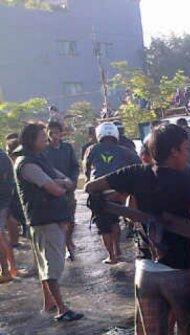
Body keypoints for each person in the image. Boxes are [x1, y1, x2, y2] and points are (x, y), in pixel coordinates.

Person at [85, 123, 190, 334]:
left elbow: (90, 186)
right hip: (177, 273)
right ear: (173, 152)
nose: (187, 154)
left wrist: (105, 199)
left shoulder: (135, 173)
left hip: (145, 272)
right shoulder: (184, 180)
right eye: (185, 149)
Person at [14, 122, 83, 321]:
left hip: (48, 218)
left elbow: (61, 180)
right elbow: (56, 188)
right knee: (53, 266)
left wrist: (61, 183)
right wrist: (62, 184)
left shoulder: (37, 158)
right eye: (43, 137)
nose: (47, 140)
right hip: (45, 220)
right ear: (31, 140)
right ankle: (62, 309)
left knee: (48, 264)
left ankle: (51, 303)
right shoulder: (27, 164)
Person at [83, 122, 140, 264]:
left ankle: (111, 256)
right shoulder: (124, 150)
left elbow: (86, 169)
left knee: (103, 227)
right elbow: (138, 164)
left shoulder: (92, 149)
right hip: (117, 192)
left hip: (98, 192)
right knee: (115, 221)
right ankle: (117, 249)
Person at [44, 120, 79, 261]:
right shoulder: (44, 150)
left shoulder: (67, 148)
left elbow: (75, 166)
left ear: (61, 133)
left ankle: (68, 241)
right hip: (51, 190)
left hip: (68, 189)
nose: (54, 135)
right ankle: (63, 246)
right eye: (51, 133)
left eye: (57, 132)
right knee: (58, 219)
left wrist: (73, 181)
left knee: (70, 218)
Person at [0, 148, 22, 283]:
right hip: (4, 200)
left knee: (1, 236)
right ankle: (8, 269)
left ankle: (7, 271)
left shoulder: (1, 157)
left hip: (2, 200)